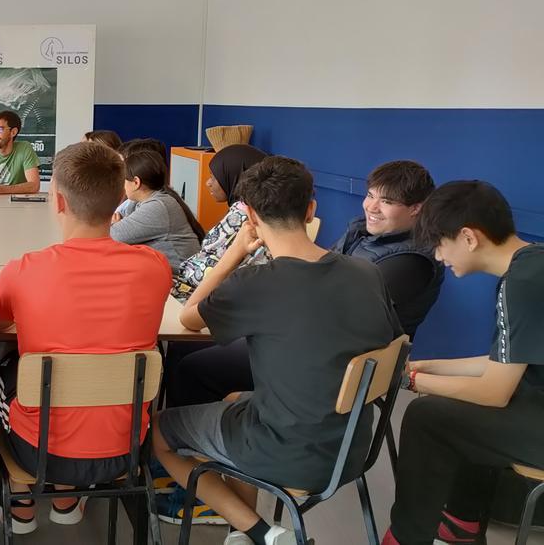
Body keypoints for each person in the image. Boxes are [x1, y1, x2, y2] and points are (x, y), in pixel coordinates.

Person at [154, 156, 401, 545]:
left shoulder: (255, 283)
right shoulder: (367, 273)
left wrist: (233, 254)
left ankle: (261, 531)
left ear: (249, 216)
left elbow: (188, 319)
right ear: (311, 210)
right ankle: (241, 530)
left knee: (158, 432)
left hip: (287, 452)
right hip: (351, 447)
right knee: (237, 398)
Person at [0, 142, 172, 534]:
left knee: (7, 370)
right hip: (125, 449)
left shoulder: (23, 270)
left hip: (41, 451)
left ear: (57, 201)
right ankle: (67, 497)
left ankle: (22, 502)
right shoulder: (155, 268)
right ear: (122, 196)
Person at [381, 181, 544, 545]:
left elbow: (494, 392)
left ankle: (407, 537)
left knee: (427, 416)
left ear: (469, 237)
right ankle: (461, 524)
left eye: (440, 244)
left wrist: (410, 383)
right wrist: (428, 366)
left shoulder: (524, 284)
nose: (439, 256)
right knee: (457, 408)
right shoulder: (531, 265)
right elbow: (503, 364)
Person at [332, 160, 444, 338]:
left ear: (416, 208)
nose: (371, 207)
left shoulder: (412, 262)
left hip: (361, 355)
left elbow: (345, 311)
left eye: (386, 201)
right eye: (370, 195)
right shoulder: (361, 230)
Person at [171, 144, 271, 301]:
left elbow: (211, 267)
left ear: (233, 175)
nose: (208, 183)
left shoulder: (241, 215)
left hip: (207, 297)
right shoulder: (262, 212)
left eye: (213, 176)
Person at [111, 150, 205, 270]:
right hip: (162, 271)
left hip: (181, 277)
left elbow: (113, 235)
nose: (121, 185)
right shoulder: (141, 202)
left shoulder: (158, 206)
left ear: (136, 182)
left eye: (123, 180)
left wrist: (116, 224)